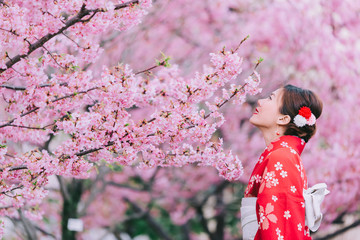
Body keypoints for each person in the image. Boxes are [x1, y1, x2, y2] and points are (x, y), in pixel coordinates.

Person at [241, 84, 324, 240]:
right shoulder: (283, 155)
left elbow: (278, 229)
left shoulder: (281, 157)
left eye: (270, 98)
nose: (260, 101)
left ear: (283, 118)